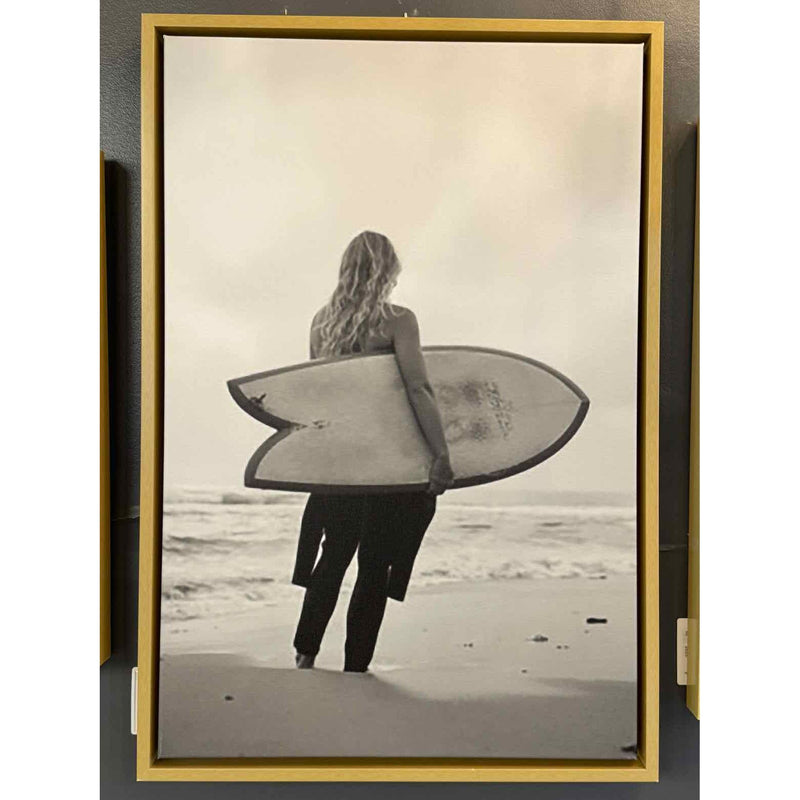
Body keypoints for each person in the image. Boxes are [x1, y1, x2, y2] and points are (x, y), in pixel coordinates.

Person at [291, 230, 454, 672]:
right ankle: (356, 665)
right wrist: (440, 452)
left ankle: (306, 655)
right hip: (386, 462)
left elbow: (315, 394)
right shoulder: (398, 320)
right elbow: (418, 388)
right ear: (389, 271)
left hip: (337, 461)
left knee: (333, 556)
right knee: (374, 563)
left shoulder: (321, 321)